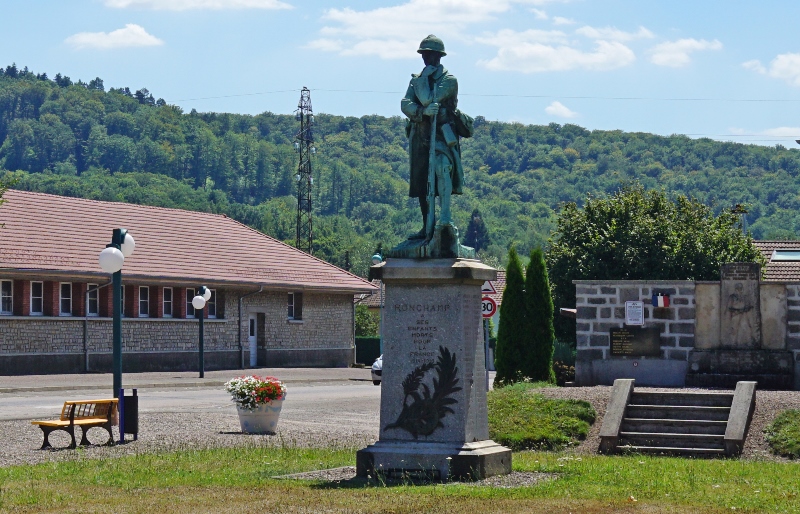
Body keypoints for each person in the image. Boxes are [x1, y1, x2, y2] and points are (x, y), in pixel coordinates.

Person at [401, 35, 473, 240]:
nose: (426, 58)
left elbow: (429, 99)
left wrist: (422, 88)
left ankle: (445, 220)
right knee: (422, 183)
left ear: (438, 56)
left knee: (442, 170)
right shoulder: (417, 79)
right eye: (423, 54)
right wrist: (422, 111)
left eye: (429, 54)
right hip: (420, 136)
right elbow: (406, 103)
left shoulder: (449, 80)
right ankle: (427, 227)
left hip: (442, 134)